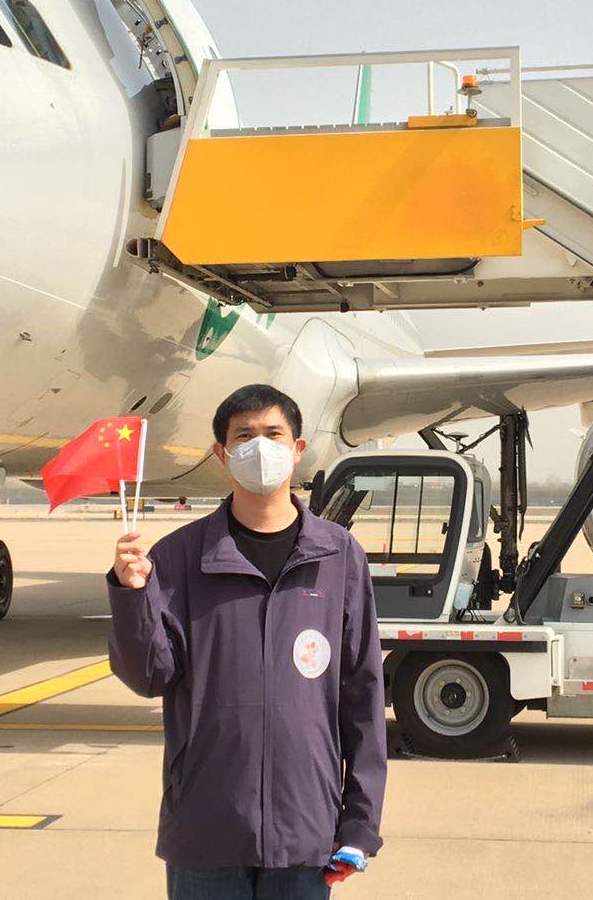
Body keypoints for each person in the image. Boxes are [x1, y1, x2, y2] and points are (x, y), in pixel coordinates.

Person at [107, 383, 386, 900]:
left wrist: (361, 824)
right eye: (244, 436)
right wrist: (131, 598)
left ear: (298, 449)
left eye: (273, 434)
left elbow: (363, 697)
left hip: (306, 828)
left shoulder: (339, 556)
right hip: (206, 827)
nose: (260, 447)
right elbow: (148, 676)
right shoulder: (180, 556)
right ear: (222, 454)